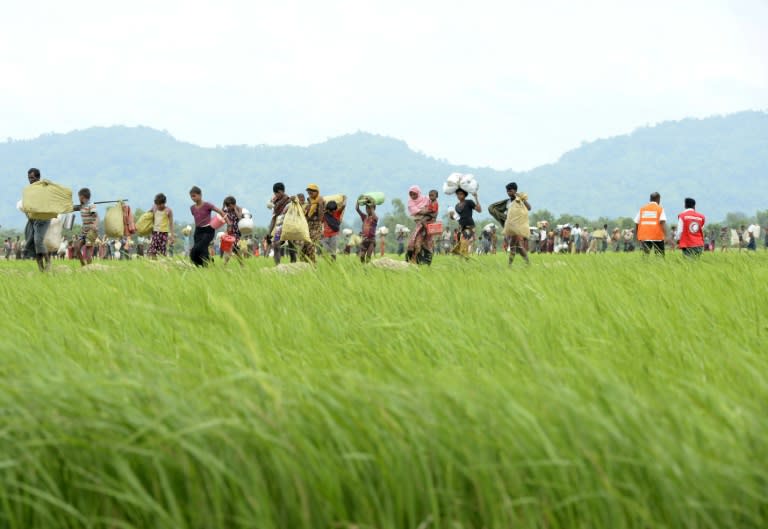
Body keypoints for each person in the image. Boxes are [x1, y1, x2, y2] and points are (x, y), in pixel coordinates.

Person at [22, 168, 53, 271]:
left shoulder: (44, 187)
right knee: (33, 243)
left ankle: (48, 262)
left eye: (32, 178)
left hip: (44, 218)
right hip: (34, 220)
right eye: (29, 178)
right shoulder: (29, 191)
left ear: (38, 178)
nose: (30, 180)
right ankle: (41, 269)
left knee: (38, 241)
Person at [189, 186, 225, 267]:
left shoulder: (207, 205)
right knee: (203, 250)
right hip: (198, 231)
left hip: (208, 231)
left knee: (196, 249)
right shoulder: (192, 208)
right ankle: (206, 265)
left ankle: (205, 263)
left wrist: (228, 222)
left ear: (200, 195)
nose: (193, 198)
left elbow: (220, 211)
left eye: (194, 196)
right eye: (191, 196)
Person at [405, 185, 437, 264]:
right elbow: (418, 212)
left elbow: (433, 209)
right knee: (414, 242)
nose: (413, 196)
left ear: (418, 193)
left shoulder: (426, 199)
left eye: (414, 194)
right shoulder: (410, 203)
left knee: (428, 243)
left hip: (428, 224)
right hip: (419, 225)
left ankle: (426, 262)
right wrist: (426, 211)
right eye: (411, 194)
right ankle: (413, 260)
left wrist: (428, 213)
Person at [268, 182, 297, 265]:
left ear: (280, 192)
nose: (275, 195)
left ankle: (293, 264)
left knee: (291, 247)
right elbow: (273, 218)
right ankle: (277, 266)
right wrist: (269, 232)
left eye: (276, 193)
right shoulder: (275, 203)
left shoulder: (290, 201)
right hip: (279, 227)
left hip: (290, 226)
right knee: (276, 245)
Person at [503, 182, 531, 265]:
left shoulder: (519, 200)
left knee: (512, 245)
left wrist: (522, 198)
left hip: (517, 228)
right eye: (507, 191)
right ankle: (528, 263)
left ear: (515, 191)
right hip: (510, 227)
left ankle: (509, 265)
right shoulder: (508, 202)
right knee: (519, 247)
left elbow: (529, 208)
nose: (508, 193)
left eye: (510, 191)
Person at [451, 188, 481, 257]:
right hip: (461, 227)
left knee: (464, 242)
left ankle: (464, 258)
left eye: (461, 194)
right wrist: (451, 216)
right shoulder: (456, 206)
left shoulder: (469, 202)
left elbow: (479, 210)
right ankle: (464, 259)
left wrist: (476, 198)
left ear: (465, 195)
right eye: (458, 194)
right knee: (462, 243)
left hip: (469, 226)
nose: (459, 196)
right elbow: (457, 218)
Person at [634, 192, 667, 256]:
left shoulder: (642, 209)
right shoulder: (660, 209)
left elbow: (636, 223)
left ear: (650, 199)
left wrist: (636, 236)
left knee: (645, 256)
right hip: (658, 237)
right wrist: (666, 235)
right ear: (658, 199)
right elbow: (662, 222)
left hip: (645, 236)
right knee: (660, 257)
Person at [72, 188, 98, 267]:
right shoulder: (81, 206)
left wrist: (94, 225)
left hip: (91, 232)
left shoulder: (91, 205)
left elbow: (95, 216)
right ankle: (83, 265)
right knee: (76, 247)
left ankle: (89, 267)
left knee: (88, 250)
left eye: (79, 197)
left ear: (82, 197)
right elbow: (71, 208)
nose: (78, 198)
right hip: (84, 232)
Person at [301, 184, 325, 263]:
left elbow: (321, 218)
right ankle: (304, 266)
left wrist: (320, 204)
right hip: (307, 227)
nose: (310, 193)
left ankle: (313, 265)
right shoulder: (309, 202)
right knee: (303, 248)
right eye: (309, 191)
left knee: (310, 246)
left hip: (316, 227)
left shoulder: (321, 201)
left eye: (312, 191)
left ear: (317, 192)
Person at [147, 193, 174, 258]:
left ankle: (162, 263)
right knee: (153, 249)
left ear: (164, 203)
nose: (158, 206)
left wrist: (172, 236)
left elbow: (171, 223)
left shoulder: (168, 210)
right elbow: (147, 216)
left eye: (160, 204)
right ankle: (153, 263)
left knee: (162, 250)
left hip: (164, 233)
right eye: (157, 204)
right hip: (155, 232)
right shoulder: (154, 208)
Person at [221, 196, 245, 266]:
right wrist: (223, 205)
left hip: (236, 233)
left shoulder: (239, 209)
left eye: (229, 206)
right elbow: (221, 212)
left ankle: (224, 265)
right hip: (229, 232)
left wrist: (235, 209)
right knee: (235, 250)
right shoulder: (227, 210)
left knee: (231, 248)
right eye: (226, 206)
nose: (227, 207)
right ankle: (242, 265)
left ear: (233, 204)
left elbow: (239, 217)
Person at [356, 199, 378, 263]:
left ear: (373, 209)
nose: (367, 209)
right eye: (366, 208)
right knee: (362, 256)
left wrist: (371, 207)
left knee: (368, 256)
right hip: (364, 240)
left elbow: (374, 215)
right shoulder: (364, 217)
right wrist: (358, 201)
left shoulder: (375, 218)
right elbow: (357, 209)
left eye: (369, 208)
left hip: (371, 241)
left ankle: (367, 270)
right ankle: (363, 268)